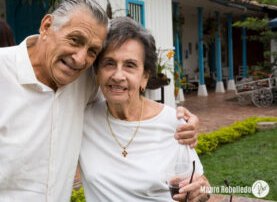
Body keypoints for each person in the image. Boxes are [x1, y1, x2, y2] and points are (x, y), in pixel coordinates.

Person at [0, 0, 198, 202]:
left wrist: (180, 119)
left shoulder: (83, 80)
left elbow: (126, 92)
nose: (79, 58)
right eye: (74, 40)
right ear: (46, 27)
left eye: (92, 51)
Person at [79, 17, 210, 202]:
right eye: (109, 63)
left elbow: (201, 184)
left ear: (145, 78)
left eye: (130, 65)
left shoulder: (175, 124)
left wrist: (202, 191)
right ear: (97, 73)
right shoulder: (82, 120)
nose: (118, 75)